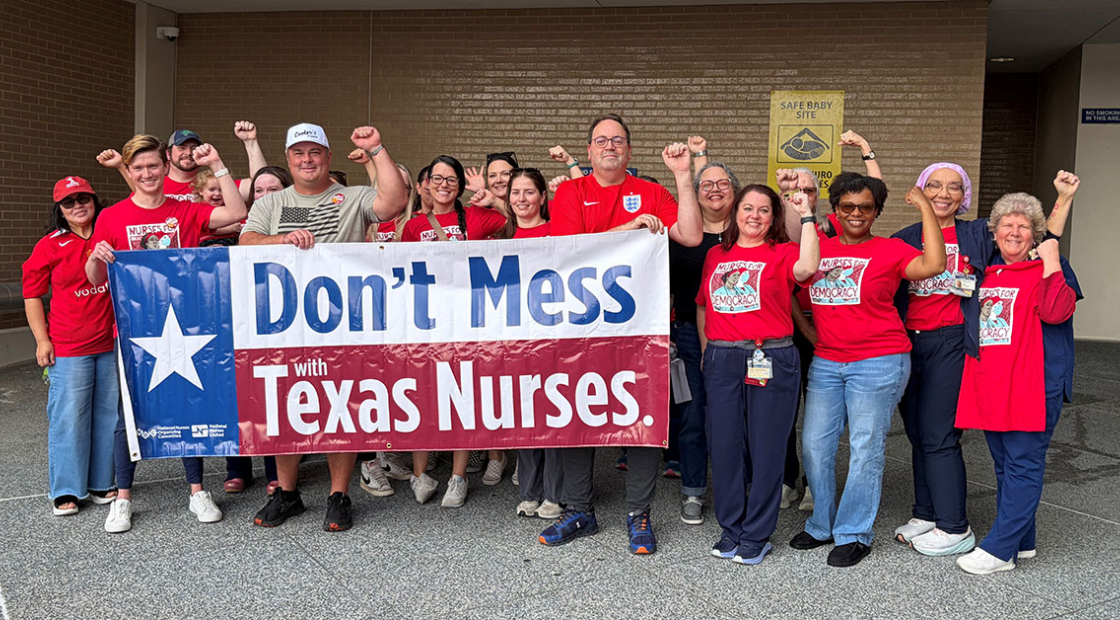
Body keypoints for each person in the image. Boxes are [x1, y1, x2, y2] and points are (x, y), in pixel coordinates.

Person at [889, 165, 1078, 557]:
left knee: (960, 442)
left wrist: (1063, 203)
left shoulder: (1012, 254)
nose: (1013, 234)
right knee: (950, 443)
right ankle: (952, 520)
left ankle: (960, 527)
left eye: (954, 186)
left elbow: (1041, 241)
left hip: (1001, 367)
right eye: (934, 186)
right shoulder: (988, 272)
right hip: (970, 365)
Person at [540, 113, 702, 555]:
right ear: (590, 151)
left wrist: (683, 175)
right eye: (600, 141)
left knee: (643, 418)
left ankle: (638, 513)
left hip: (642, 329)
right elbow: (571, 249)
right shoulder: (572, 192)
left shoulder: (651, 192)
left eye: (618, 141)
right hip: (581, 329)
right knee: (579, 415)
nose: (609, 146)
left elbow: (689, 234)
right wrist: (628, 230)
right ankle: (580, 510)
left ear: (628, 151)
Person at [240, 122, 407, 531]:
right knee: (286, 409)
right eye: (298, 153)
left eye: (315, 152)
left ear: (328, 158)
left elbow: (394, 202)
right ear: (289, 159)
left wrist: (377, 149)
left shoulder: (351, 196)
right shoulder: (271, 203)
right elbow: (246, 243)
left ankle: (339, 494)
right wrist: (280, 241)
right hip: (286, 325)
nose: (307, 159)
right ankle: (288, 493)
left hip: (343, 325)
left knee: (341, 408)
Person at [85, 134, 248, 533]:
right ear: (130, 171)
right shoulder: (112, 217)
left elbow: (237, 210)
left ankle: (196, 490)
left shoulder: (185, 211)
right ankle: (123, 498)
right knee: (130, 413)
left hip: (187, 327)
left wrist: (219, 164)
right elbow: (93, 277)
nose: (146, 174)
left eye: (153, 166)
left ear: (165, 167)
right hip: (134, 331)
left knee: (187, 404)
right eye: (137, 167)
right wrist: (96, 256)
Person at [789, 172, 946, 568]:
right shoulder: (818, 247)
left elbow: (934, 264)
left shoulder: (890, 249)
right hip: (827, 360)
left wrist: (926, 206)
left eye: (866, 207)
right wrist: (809, 331)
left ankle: (855, 532)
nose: (856, 213)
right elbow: (788, 288)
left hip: (879, 361)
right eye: (848, 206)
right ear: (836, 209)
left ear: (876, 212)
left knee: (864, 447)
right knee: (815, 445)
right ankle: (822, 522)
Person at [954, 190, 1082, 575]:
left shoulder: (1049, 267)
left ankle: (999, 549)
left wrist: (1053, 260)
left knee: (1023, 464)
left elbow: (1058, 311)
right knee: (1004, 465)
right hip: (993, 383)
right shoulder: (986, 271)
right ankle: (1022, 540)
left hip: (1034, 383)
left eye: (1023, 226)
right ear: (994, 233)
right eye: (1007, 225)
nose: (1014, 231)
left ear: (1035, 235)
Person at [698, 185, 819, 565]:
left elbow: (808, 268)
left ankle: (756, 534)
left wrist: (809, 215)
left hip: (770, 355)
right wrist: (707, 352)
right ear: (735, 213)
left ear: (773, 218)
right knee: (725, 446)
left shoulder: (783, 252)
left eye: (764, 210)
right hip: (722, 358)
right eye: (747, 208)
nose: (754, 215)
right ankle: (731, 528)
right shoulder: (716, 254)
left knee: (766, 449)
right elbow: (703, 305)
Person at [779, 130, 881, 512]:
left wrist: (867, 151)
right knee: (784, 412)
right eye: (795, 189)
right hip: (794, 330)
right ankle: (788, 479)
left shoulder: (835, 227)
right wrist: (804, 328)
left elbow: (875, 194)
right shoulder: (779, 231)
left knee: (821, 418)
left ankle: (814, 484)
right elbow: (787, 282)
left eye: (809, 188)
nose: (802, 194)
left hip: (833, 334)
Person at [399, 154, 508, 508]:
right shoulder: (414, 227)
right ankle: (421, 475)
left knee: (461, 398)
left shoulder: (475, 217)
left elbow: (520, 223)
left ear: (459, 186)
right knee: (424, 396)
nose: (443, 185)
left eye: (451, 180)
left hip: (468, 324)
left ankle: (458, 478)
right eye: (437, 179)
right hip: (426, 324)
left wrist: (492, 197)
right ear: (426, 184)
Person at [23, 177, 118, 517]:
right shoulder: (50, 244)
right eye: (69, 202)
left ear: (95, 201)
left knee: (108, 415)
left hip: (109, 342)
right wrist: (41, 340)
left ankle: (100, 482)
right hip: (68, 344)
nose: (78, 205)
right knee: (69, 417)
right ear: (60, 211)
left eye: (84, 198)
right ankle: (66, 489)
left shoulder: (111, 235)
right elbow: (32, 293)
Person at [668, 158, 740, 526]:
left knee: (738, 417)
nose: (714, 189)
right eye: (705, 184)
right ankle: (693, 489)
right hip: (688, 336)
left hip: (742, 337)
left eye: (722, 183)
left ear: (735, 189)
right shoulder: (681, 234)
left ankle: (742, 487)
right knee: (694, 415)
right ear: (694, 194)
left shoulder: (749, 231)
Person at [97, 129, 205, 201]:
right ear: (168, 153)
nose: (188, 153)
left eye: (194, 148)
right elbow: (143, 200)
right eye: (181, 147)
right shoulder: (154, 183)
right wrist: (121, 165)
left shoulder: (213, 184)